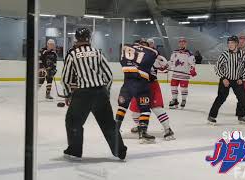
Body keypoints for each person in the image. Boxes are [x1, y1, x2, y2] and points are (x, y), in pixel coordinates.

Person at [61, 28, 127, 160]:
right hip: (100, 93)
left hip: (82, 95)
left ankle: (74, 151)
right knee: (108, 124)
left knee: (73, 121)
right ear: (89, 38)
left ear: (76, 39)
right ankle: (120, 151)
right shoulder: (97, 53)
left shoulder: (73, 54)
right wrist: (105, 92)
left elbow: (66, 78)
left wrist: (68, 94)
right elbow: (108, 75)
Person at [129, 38, 175, 141]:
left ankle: (168, 129)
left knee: (157, 109)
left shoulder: (154, 57)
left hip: (152, 86)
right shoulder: (134, 58)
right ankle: (141, 126)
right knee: (135, 113)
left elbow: (165, 68)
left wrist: (163, 65)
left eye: (145, 45)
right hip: (139, 87)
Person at [115, 39, 159, 143]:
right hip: (141, 84)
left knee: (122, 107)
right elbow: (155, 54)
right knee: (145, 109)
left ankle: (115, 130)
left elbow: (122, 61)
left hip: (127, 83)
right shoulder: (149, 52)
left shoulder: (126, 49)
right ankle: (143, 133)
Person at [208, 36, 245, 125]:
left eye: (232, 43)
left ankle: (241, 116)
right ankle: (211, 116)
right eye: (229, 43)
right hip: (226, 80)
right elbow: (217, 67)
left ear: (237, 44)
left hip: (237, 80)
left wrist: (241, 77)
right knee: (221, 98)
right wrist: (223, 78)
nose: (230, 45)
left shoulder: (242, 54)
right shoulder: (224, 54)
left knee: (243, 97)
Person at [168, 38, 197, 109]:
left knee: (183, 88)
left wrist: (192, 69)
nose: (182, 43)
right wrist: (167, 67)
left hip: (184, 74)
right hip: (175, 73)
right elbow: (171, 62)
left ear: (185, 44)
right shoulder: (174, 52)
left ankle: (183, 100)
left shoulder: (189, 53)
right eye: (180, 42)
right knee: (173, 87)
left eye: (183, 42)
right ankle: (174, 100)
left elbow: (192, 63)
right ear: (178, 43)